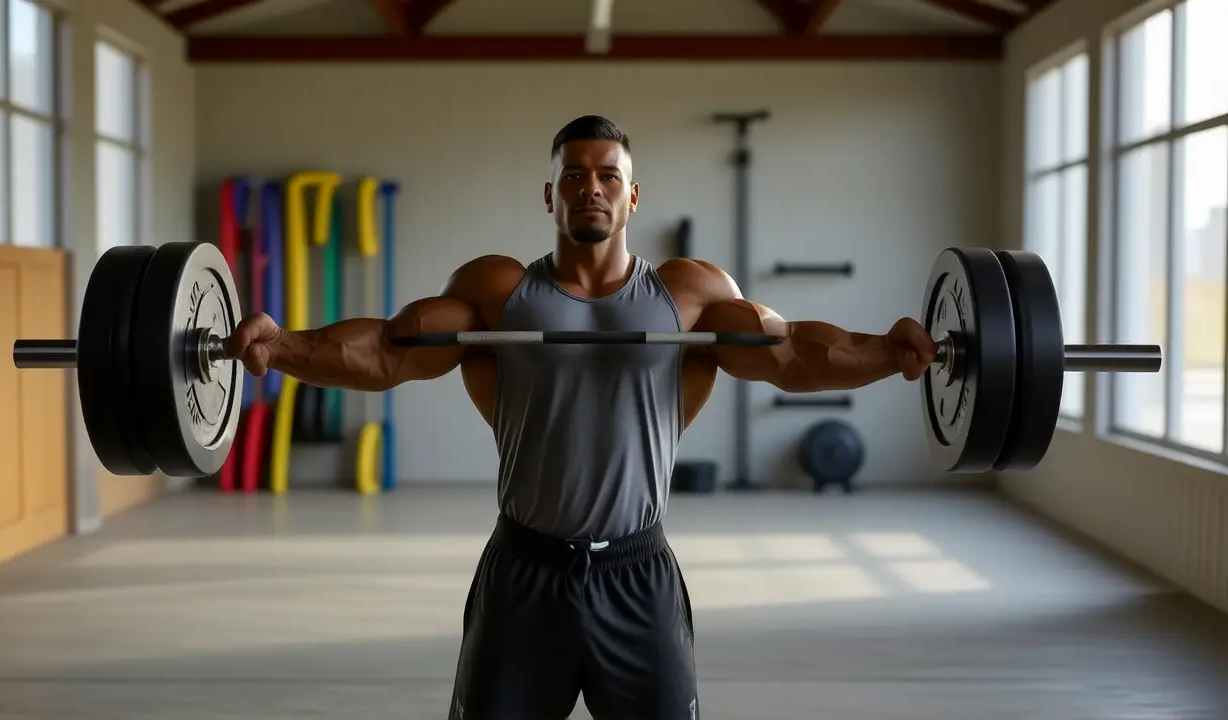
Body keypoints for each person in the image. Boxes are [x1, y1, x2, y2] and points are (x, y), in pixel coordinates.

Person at [224, 115, 937, 720]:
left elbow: (792, 356)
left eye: (605, 175)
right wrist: (281, 346)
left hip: (639, 572)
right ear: (550, 195)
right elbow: (387, 351)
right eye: (573, 176)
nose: (589, 187)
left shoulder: (689, 298)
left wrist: (887, 351)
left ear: (632, 195)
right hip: (524, 572)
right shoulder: (498, 291)